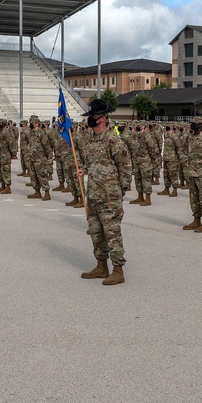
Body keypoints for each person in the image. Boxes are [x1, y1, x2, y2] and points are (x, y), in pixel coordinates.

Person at [77, 99, 132, 286]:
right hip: (93, 195)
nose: (91, 119)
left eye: (94, 116)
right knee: (95, 232)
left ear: (103, 118)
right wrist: (83, 170)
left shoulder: (113, 140)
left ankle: (118, 270)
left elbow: (125, 168)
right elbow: (91, 163)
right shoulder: (91, 141)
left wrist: (119, 194)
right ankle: (101, 266)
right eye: (90, 116)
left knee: (112, 233)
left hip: (109, 197)